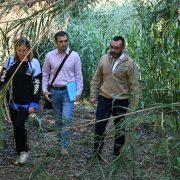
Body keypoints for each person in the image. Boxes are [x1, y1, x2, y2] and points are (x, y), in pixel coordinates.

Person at [90, 36, 140, 160]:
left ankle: (117, 155)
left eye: (116, 48)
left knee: (120, 130)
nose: (112, 50)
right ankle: (97, 155)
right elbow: (97, 79)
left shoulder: (130, 64)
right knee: (99, 126)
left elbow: (135, 86)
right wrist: (93, 95)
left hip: (121, 101)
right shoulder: (103, 59)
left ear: (123, 48)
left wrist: (133, 106)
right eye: (111, 47)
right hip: (104, 98)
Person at [0, 37, 42, 165]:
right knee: (16, 127)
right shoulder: (10, 61)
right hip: (13, 102)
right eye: (19, 50)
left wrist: (34, 103)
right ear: (15, 50)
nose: (22, 53)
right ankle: (19, 152)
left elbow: (37, 84)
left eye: (24, 50)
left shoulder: (33, 63)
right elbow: (3, 79)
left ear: (29, 49)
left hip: (26, 102)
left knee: (19, 125)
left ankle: (24, 151)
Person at [42, 31, 83, 155]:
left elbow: (78, 75)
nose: (63, 44)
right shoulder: (50, 56)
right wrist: (45, 90)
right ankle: (60, 142)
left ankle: (64, 146)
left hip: (69, 89)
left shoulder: (74, 56)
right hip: (55, 90)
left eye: (65, 41)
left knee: (67, 119)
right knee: (58, 119)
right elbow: (45, 74)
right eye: (61, 41)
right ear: (56, 42)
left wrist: (79, 91)